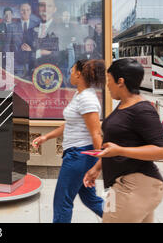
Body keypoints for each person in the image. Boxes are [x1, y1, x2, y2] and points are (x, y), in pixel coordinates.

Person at [83, 58, 163, 223]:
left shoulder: (142, 110)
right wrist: (97, 167)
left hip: (135, 186)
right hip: (121, 186)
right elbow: (119, 141)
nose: (107, 85)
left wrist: (120, 151)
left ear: (120, 81)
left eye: (109, 81)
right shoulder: (124, 104)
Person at [32, 59, 106, 223]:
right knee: (90, 199)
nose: (70, 74)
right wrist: (46, 137)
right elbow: (71, 124)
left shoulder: (87, 98)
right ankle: (122, 219)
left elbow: (96, 134)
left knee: (62, 201)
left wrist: (99, 164)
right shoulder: (79, 94)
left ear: (79, 74)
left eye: (72, 71)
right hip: (78, 155)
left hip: (80, 156)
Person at [8, 3, 39, 78]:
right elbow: (7, 46)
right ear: (19, 11)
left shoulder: (37, 25)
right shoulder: (12, 26)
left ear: (30, 11)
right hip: (17, 63)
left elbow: (40, 44)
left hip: (33, 62)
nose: (25, 12)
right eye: (23, 10)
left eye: (27, 10)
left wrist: (31, 49)